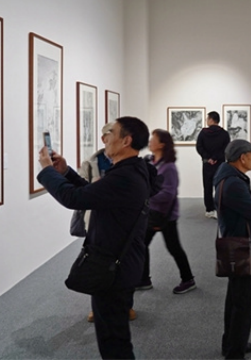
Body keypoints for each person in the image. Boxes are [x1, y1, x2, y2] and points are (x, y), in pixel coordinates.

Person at [37, 117, 157, 359]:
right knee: (114, 334)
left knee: (114, 341)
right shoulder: (134, 170)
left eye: (110, 133)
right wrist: (66, 172)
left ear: (126, 140)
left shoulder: (124, 177)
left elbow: (74, 198)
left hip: (113, 269)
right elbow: (92, 194)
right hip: (122, 262)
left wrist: (48, 171)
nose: (104, 139)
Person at [213, 140, 251, 360]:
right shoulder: (234, 184)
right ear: (242, 158)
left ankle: (232, 343)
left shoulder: (229, 178)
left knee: (236, 300)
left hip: (238, 245)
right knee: (242, 304)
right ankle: (234, 352)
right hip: (243, 249)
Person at [79, 122, 137, 323]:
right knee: (97, 264)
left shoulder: (129, 163)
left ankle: (127, 305)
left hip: (122, 221)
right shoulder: (92, 162)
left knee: (125, 263)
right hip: (98, 221)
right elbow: (80, 188)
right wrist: (92, 186)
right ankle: (97, 308)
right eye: (109, 134)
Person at [138, 129, 197, 294]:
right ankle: (143, 279)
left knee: (174, 248)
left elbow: (168, 194)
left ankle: (188, 279)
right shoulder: (150, 162)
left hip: (166, 216)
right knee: (142, 244)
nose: (150, 142)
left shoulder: (169, 167)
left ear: (162, 144)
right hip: (151, 213)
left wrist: (146, 195)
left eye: (153, 139)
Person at [196, 111, 230, 219]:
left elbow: (199, 147)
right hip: (220, 164)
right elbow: (226, 149)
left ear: (211, 120)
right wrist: (215, 158)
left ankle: (209, 209)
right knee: (220, 187)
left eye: (207, 119)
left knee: (207, 186)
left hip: (207, 164)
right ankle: (219, 208)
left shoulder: (203, 133)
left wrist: (208, 158)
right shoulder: (224, 134)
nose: (206, 121)